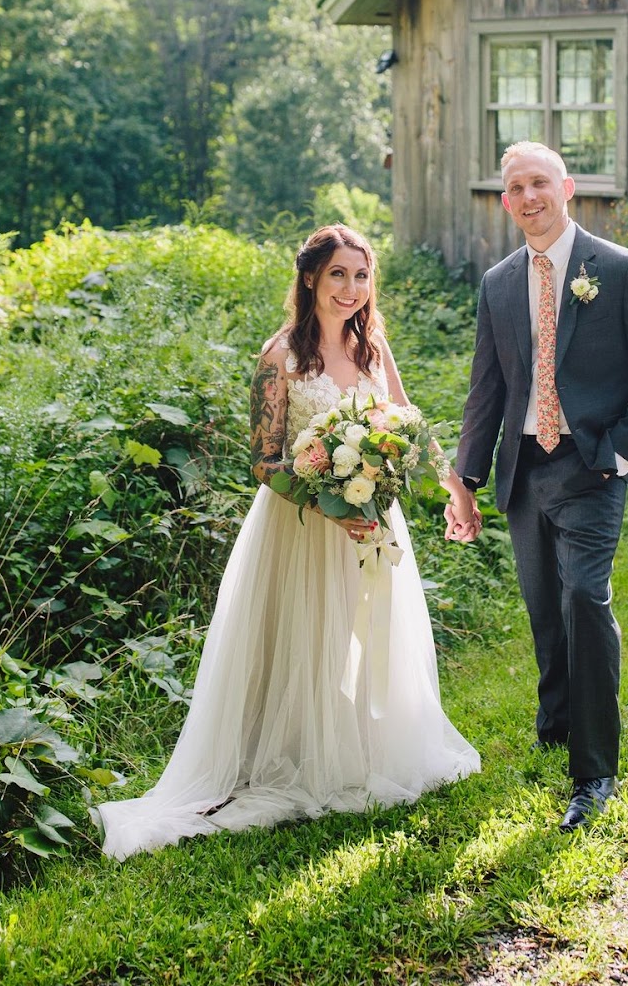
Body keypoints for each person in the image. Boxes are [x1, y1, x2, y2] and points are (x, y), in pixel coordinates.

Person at [94, 224, 480, 860]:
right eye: (338, 275)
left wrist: (453, 485)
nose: (351, 289)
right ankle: (295, 758)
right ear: (309, 279)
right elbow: (264, 461)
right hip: (303, 528)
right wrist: (329, 498)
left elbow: (409, 424)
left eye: (361, 276)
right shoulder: (281, 357)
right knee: (307, 640)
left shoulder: (374, 347)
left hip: (371, 524)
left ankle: (364, 751)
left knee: (368, 639)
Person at [444, 143, 628, 833]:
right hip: (524, 469)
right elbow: (486, 391)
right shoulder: (497, 284)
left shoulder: (621, 270)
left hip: (590, 466)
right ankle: (554, 723)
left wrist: (619, 454)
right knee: (544, 606)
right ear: (504, 201)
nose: (528, 197)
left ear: (567, 188)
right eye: (515, 187)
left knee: (584, 597)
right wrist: (467, 478)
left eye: (539, 183)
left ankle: (594, 771)